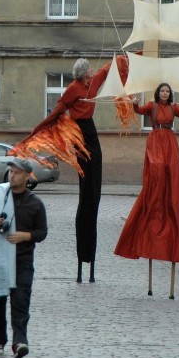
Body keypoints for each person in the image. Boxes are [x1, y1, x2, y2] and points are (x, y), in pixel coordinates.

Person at [26, 57, 122, 283]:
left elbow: (109, 68)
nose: (92, 70)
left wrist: (126, 55)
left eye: (91, 68)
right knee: (85, 187)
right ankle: (83, 250)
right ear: (82, 73)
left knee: (94, 187)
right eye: (89, 68)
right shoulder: (74, 88)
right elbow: (57, 112)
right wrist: (37, 130)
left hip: (91, 131)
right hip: (78, 133)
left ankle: (90, 243)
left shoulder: (93, 82)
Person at [114, 83, 179, 298]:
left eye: (167, 91)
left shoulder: (173, 108)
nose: (165, 94)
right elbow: (138, 110)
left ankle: (166, 187)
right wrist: (134, 104)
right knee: (156, 167)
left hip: (169, 141)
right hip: (156, 141)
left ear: (170, 94)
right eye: (162, 91)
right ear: (158, 94)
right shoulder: (151, 106)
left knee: (169, 169)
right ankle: (155, 189)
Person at [0, 157, 47, 358]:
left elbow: (42, 232)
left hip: (23, 260)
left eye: (17, 172)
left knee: (21, 301)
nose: (12, 175)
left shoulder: (35, 203)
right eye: (11, 171)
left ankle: (20, 341)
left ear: (26, 176)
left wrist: (26, 236)